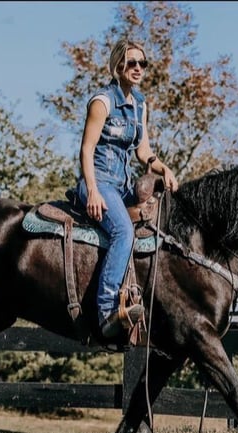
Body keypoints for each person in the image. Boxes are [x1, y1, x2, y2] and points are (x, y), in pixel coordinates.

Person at [76, 38, 179, 338]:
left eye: (142, 63)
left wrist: (164, 168)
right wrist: (92, 190)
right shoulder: (102, 102)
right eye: (131, 62)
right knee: (123, 231)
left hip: (123, 187)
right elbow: (86, 150)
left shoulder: (140, 105)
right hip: (99, 182)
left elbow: (143, 152)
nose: (138, 68)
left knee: (161, 219)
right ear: (118, 65)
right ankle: (108, 310)